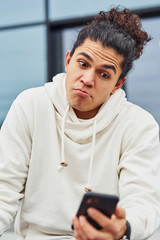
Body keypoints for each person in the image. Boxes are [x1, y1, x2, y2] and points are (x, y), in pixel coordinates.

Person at [0, 6, 160, 240]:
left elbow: (143, 199)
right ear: (68, 60)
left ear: (118, 84)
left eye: (104, 74)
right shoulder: (30, 105)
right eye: (83, 64)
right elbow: (3, 189)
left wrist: (123, 226)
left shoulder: (138, 125)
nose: (87, 80)